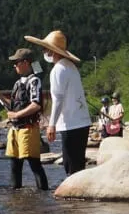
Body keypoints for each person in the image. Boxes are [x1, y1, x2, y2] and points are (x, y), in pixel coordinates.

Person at [24, 30, 92, 175]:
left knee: (70, 167)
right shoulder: (71, 66)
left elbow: (58, 99)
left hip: (70, 124)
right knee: (79, 166)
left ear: (51, 51)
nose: (44, 51)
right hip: (83, 122)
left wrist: (52, 125)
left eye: (45, 48)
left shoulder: (58, 70)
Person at [0, 48, 49, 191]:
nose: (14, 65)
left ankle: (43, 195)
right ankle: (15, 195)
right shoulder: (17, 83)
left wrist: (16, 115)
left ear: (26, 63)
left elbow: (36, 105)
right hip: (15, 130)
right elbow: (11, 105)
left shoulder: (34, 81)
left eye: (16, 62)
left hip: (28, 129)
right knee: (15, 165)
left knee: (35, 165)